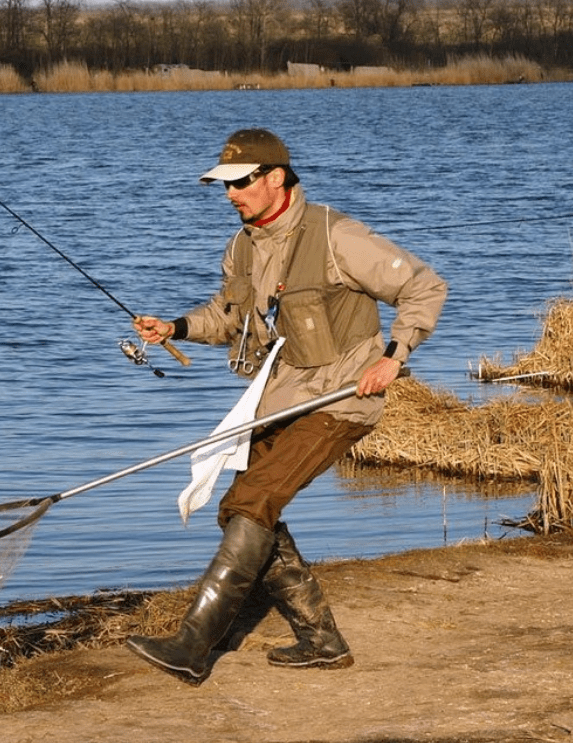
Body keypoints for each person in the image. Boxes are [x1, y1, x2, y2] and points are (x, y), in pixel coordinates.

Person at [126, 128, 448, 684]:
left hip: (345, 397)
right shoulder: (242, 246)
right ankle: (321, 640)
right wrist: (174, 327)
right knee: (239, 506)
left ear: (275, 177)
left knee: (253, 500)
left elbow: (425, 287)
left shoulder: (337, 235)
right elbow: (228, 319)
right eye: (223, 185)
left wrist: (393, 359)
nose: (231, 194)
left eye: (240, 182)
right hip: (281, 398)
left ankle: (193, 645)